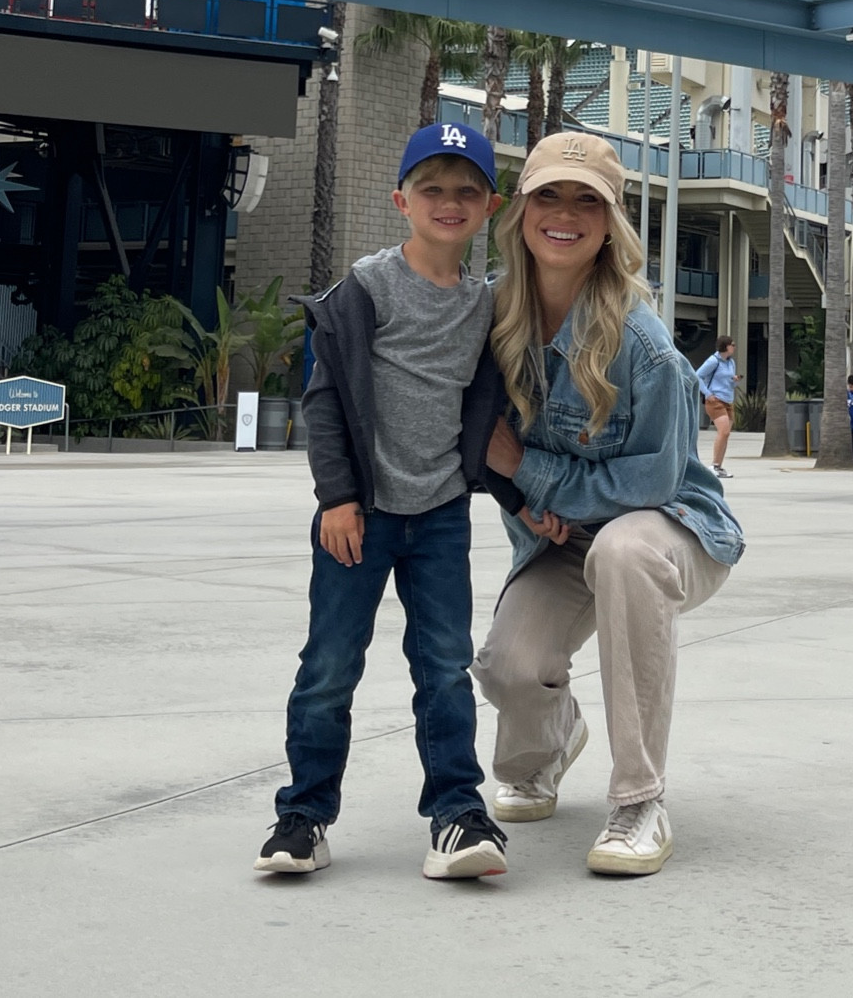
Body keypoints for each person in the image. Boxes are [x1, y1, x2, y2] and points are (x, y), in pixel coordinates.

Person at [255, 122, 538, 885]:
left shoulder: (486, 305)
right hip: (360, 516)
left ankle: (456, 814)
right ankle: (303, 815)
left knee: (443, 667)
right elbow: (325, 403)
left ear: (490, 206)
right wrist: (337, 498)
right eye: (432, 189)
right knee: (328, 666)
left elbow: (489, 418)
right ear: (401, 200)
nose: (449, 203)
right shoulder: (367, 286)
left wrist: (523, 497)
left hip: (442, 514)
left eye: (466, 191)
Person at [473, 131, 744, 878]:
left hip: (669, 530)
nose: (565, 214)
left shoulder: (644, 345)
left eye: (585, 200)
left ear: (610, 221)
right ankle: (552, 741)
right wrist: (526, 503)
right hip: (560, 537)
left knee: (624, 548)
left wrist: (535, 473)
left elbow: (654, 483)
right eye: (548, 196)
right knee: (506, 668)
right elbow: (476, 442)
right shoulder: (493, 320)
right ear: (520, 212)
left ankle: (638, 800)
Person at [695, 335, 741, 476]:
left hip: (728, 400)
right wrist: (707, 394)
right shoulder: (713, 361)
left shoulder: (730, 362)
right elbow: (697, 376)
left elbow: (730, 383)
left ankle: (719, 466)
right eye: (732, 345)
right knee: (724, 431)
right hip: (715, 401)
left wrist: (735, 381)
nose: (734, 347)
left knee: (726, 434)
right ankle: (714, 465)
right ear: (725, 346)